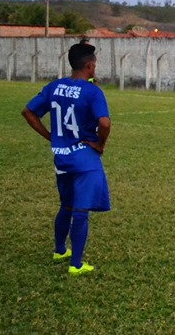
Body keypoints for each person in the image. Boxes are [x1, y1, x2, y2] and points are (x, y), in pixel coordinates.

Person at [21, 42, 111, 276]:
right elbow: (104, 123)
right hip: (84, 159)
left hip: (62, 158)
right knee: (81, 210)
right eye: (94, 65)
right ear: (90, 66)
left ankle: (60, 250)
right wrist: (100, 144)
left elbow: (28, 112)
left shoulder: (55, 86)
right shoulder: (92, 92)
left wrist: (50, 136)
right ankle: (76, 264)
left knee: (67, 205)